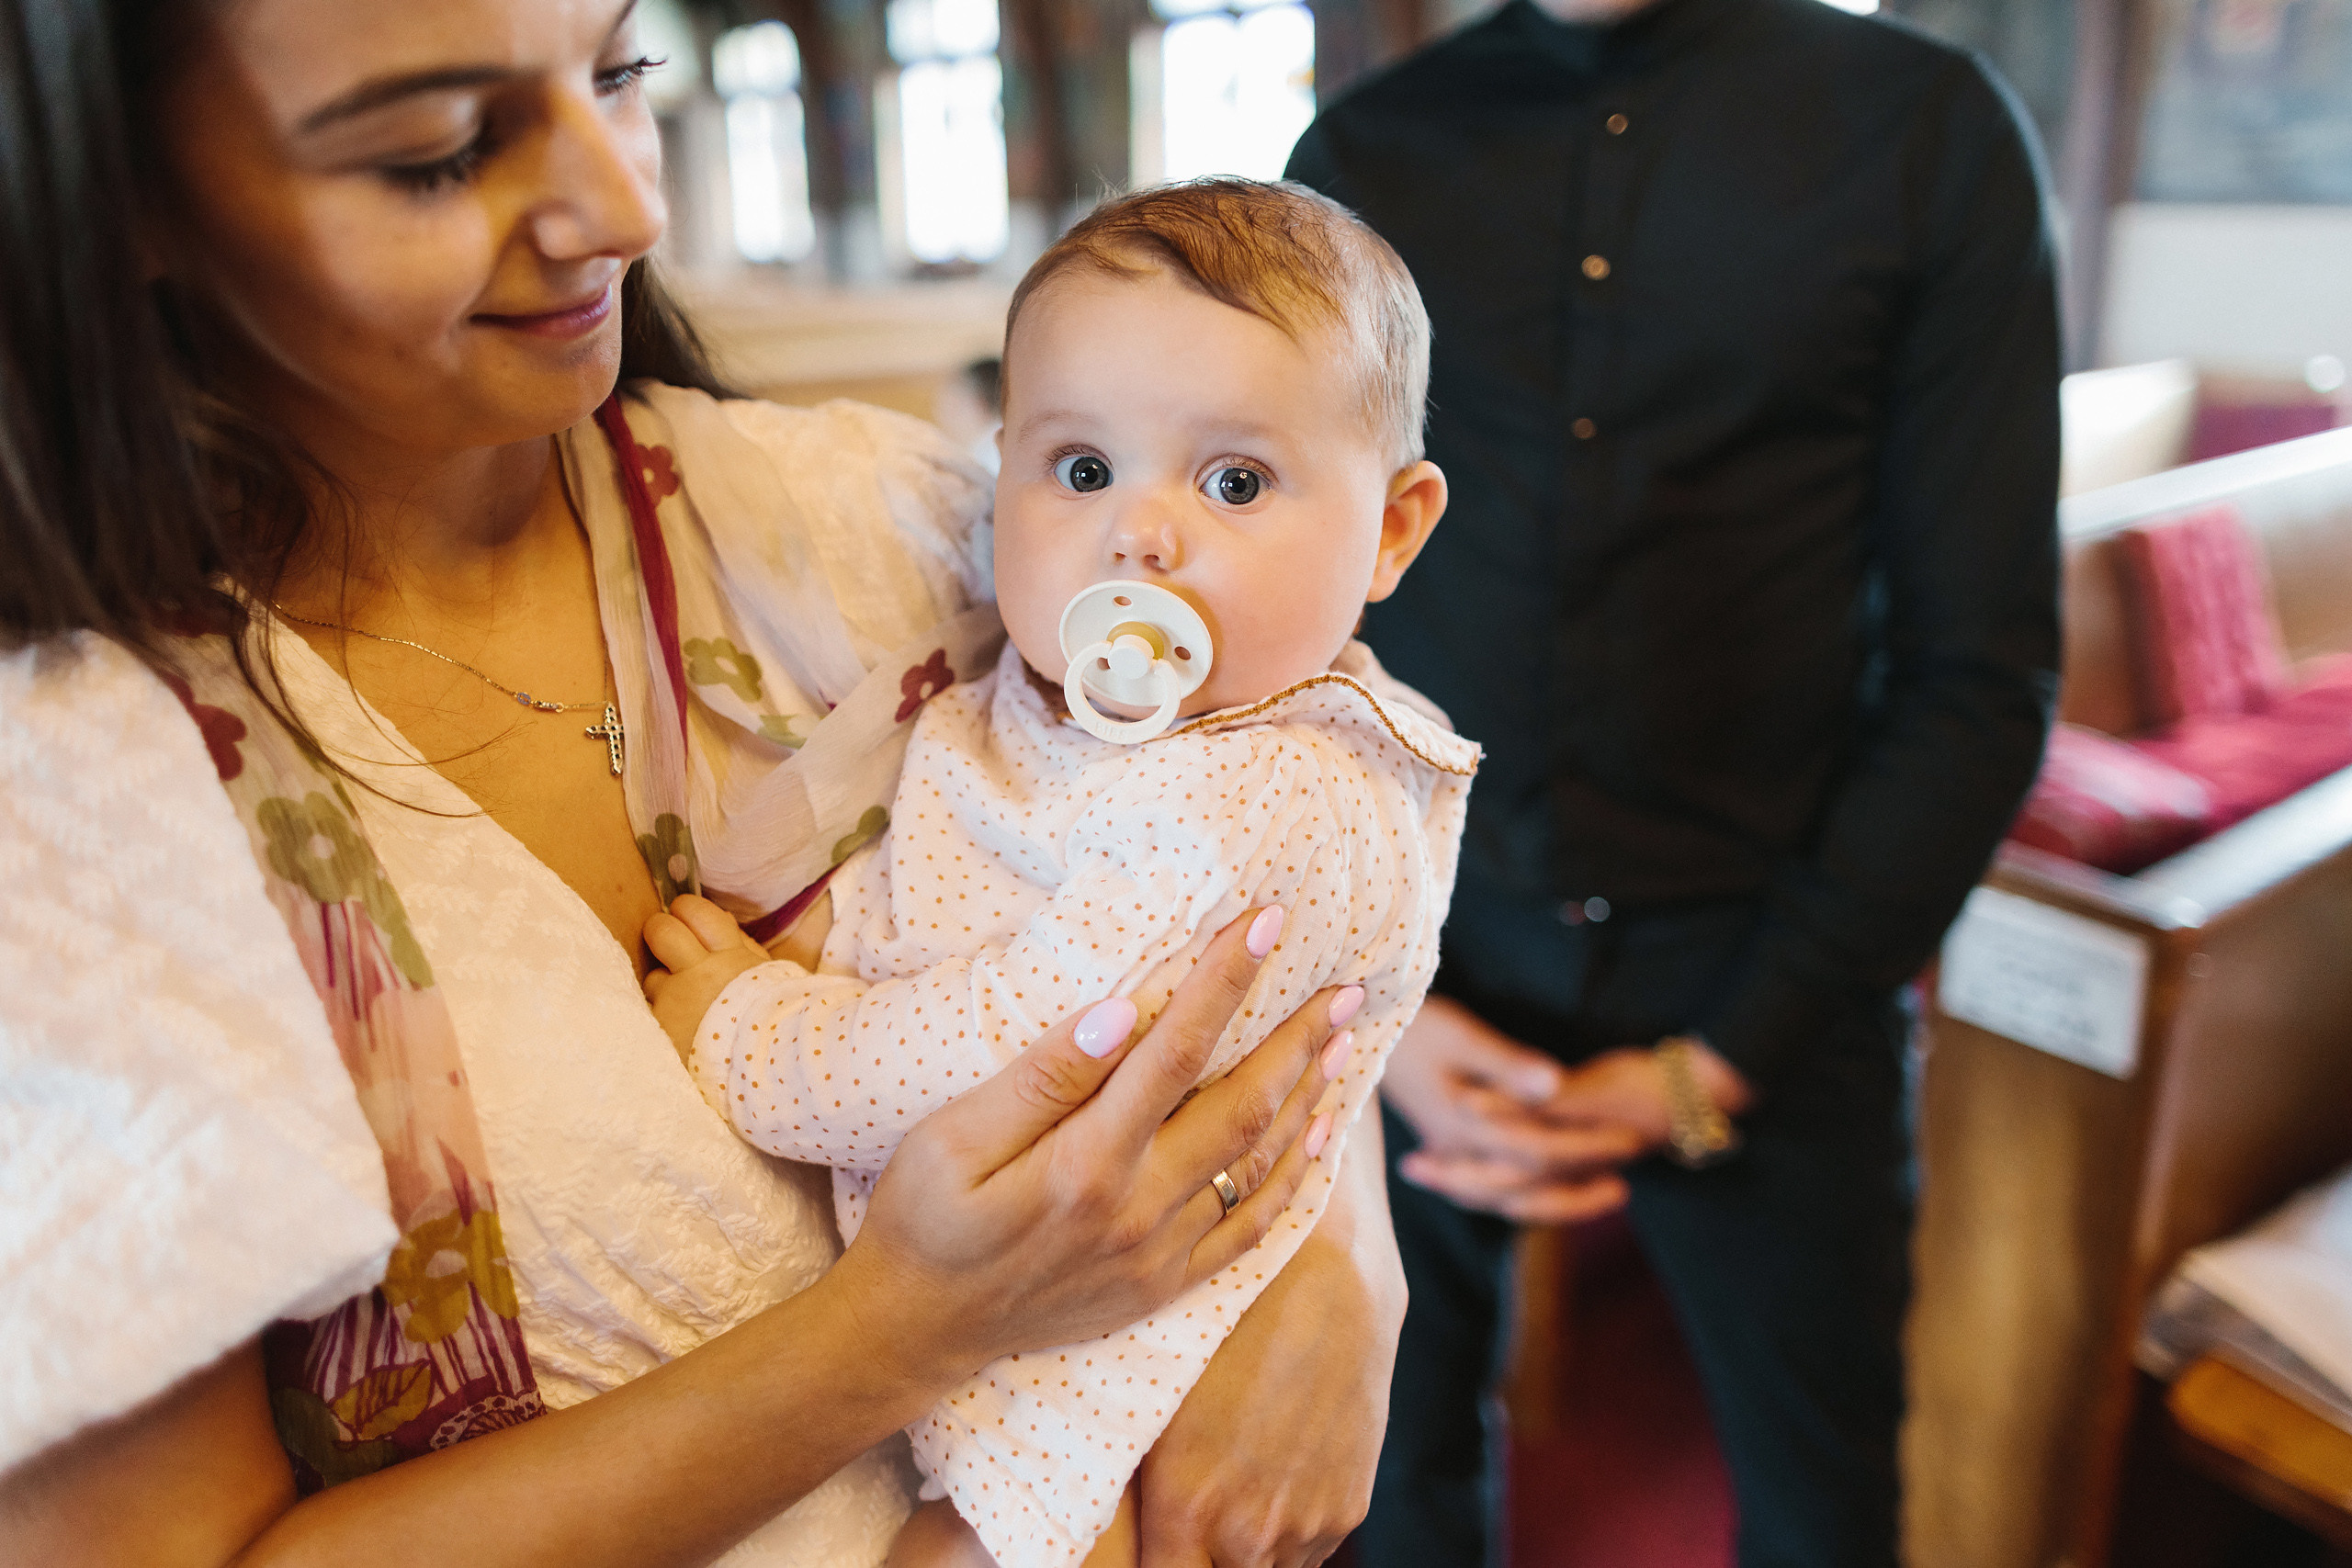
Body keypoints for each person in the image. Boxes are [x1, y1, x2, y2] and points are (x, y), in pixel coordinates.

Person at [0, 4, 1407, 1565]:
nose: (627, 207)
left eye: (618, 73)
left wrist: (1342, 1264)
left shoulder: (873, 521)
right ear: (121, 194)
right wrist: (898, 1333)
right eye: (436, 151)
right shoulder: (65, 807)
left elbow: (1275, 812)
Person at [1285, 0, 2064, 1560]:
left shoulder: (1927, 130)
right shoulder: (1368, 151)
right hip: (1415, 953)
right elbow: (1285, 625)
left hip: (1774, 962)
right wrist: (1374, 997)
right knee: (1375, 1498)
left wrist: (1730, 1054)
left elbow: (1980, 674)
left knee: (1823, 1509)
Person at [642, 179, 1470, 1568]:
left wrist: (757, 1041)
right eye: (1080, 469)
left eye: (1235, 482)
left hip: (1119, 1369)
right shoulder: (1071, 698)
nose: (1138, 536)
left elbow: (1024, 1039)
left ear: (1389, 532)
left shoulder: (1261, 794)